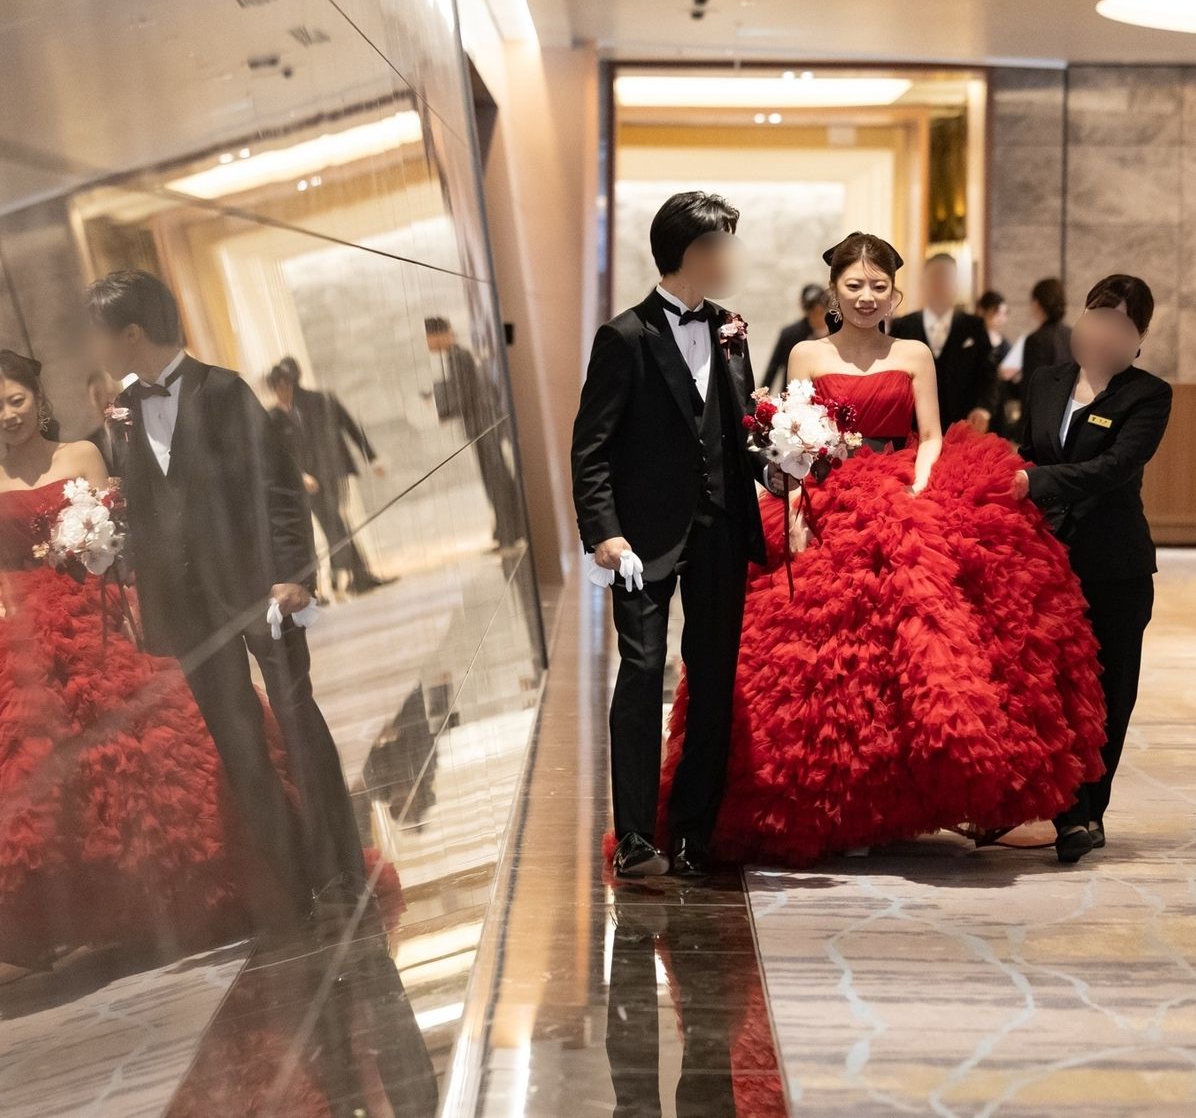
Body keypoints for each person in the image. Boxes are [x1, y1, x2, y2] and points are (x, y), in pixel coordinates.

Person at [657, 231, 1107, 867]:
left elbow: (930, 434)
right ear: (834, 292)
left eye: (878, 286)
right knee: (824, 650)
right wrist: (795, 510)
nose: (866, 296)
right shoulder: (808, 353)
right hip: (828, 494)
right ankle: (835, 799)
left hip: (904, 487)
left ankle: (913, 794)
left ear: (894, 292)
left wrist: (921, 483)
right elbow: (794, 446)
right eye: (854, 285)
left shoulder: (914, 353)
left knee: (927, 632)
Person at [0, 349, 299, 966]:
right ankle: (97, 904)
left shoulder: (80, 456)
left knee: (143, 744)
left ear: (37, 397)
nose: (6, 415)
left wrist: (101, 550)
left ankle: (182, 887)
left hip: (95, 606)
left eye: (15, 399)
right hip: (26, 628)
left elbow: (122, 532)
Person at [86, 270, 366, 927]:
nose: (94, 347)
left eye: (100, 334)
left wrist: (295, 574)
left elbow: (279, 489)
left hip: (259, 587)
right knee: (238, 742)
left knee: (296, 720)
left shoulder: (225, 390)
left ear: (132, 333)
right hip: (187, 608)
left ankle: (341, 871)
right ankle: (292, 886)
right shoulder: (122, 411)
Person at [571, 191, 773, 879]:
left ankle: (692, 833)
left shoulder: (732, 330)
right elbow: (591, 449)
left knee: (713, 679)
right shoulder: (625, 337)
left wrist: (779, 468)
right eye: (722, 246)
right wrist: (604, 532)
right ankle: (634, 835)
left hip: (720, 529)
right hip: (642, 541)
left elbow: (740, 429)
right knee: (640, 671)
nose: (732, 258)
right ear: (690, 253)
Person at [1015, 274, 1171, 863]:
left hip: (1114, 566)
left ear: (1139, 336)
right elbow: (1027, 451)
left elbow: (1113, 469)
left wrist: (1034, 483)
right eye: (1099, 317)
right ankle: (1066, 810)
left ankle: (1089, 810)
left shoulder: (1147, 395)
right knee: (1051, 688)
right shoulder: (1047, 381)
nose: (1106, 332)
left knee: (1109, 693)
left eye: (1122, 323)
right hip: (1047, 562)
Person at [275, 355, 390, 596]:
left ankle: (349, 574)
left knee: (334, 524)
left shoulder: (317, 401)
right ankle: (351, 574)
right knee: (335, 524)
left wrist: (372, 457)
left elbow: (349, 426)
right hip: (317, 478)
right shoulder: (283, 413)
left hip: (324, 475)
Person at [424, 316, 523, 551]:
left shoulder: (458, 356)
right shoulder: (456, 356)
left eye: (429, 338)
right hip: (482, 426)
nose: (428, 343)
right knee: (496, 479)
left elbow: (464, 393)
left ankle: (510, 534)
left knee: (496, 480)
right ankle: (509, 531)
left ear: (441, 335)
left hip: (483, 427)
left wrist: (440, 407)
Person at [891, 252, 997, 430]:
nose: (940, 285)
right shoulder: (903, 326)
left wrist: (983, 409)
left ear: (955, 285)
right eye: (935, 279)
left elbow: (988, 374)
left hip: (963, 425)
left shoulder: (974, 326)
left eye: (946, 279)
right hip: (913, 427)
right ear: (924, 284)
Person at [762, 283, 834, 391]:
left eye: (820, 311)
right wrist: (762, 395)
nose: (817, 317)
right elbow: (773, 368)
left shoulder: (837, 331)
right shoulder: (790, 334)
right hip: (795, 394)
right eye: (812, 312)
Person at [1020, 276, 1072, 392]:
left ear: (1037, 304)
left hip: (1045, 401)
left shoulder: (1036, 340)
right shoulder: (1072, 334)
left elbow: (1031, 387)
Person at [977, 289, 1012, 436]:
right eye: (997, 313)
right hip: (977, 402)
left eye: (1004, 314)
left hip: (999, 403)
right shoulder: (974, 340)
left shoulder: (1005, 344)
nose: (1001, 318)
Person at [83, 367, 123, 469]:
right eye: (97, 395)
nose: (105, 400)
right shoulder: (88, 444)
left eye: (110, 393)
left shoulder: (135, 426)